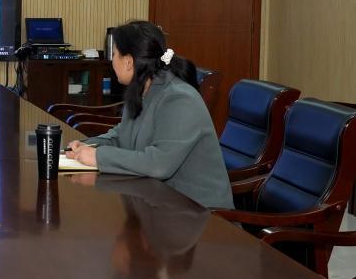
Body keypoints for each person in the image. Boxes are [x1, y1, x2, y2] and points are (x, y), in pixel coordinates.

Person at [66, 21, 232, 209]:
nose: (112, 61)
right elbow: (120, 137)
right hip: (159, 204)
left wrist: (98, 157)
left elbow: (159, 164)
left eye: (114, 55)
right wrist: (86, 146)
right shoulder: (141, 91)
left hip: (201, 215)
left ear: (128, 62)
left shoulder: (179, 99)